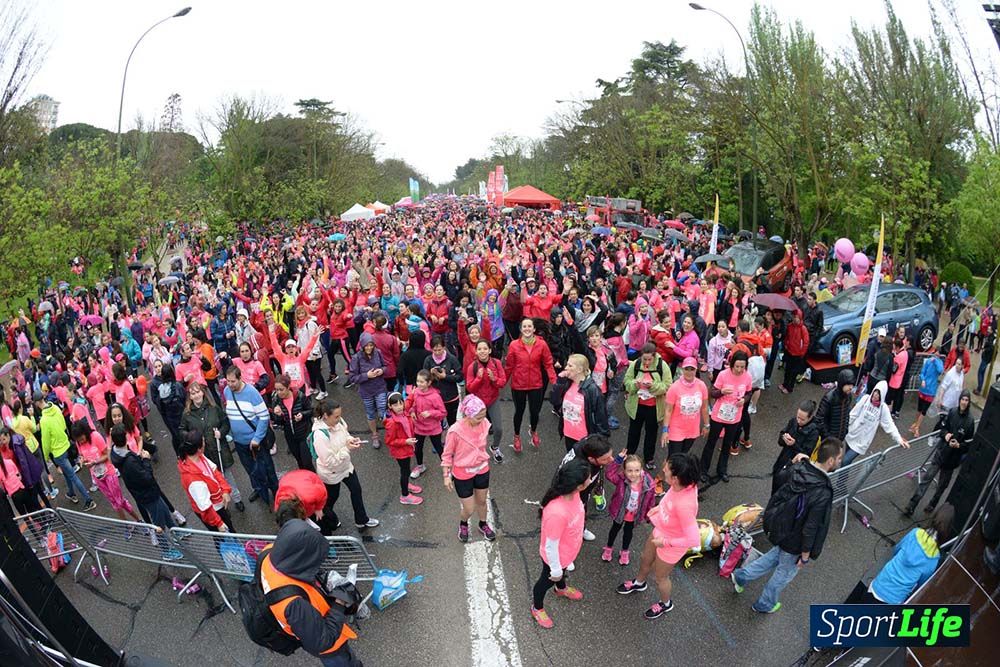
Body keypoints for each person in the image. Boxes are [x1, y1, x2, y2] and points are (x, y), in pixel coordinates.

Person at [731, 438, 843, 613]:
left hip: (783, 529)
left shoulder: (800, 468)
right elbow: (811, 526)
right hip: (796, 541)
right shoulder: (822, 491)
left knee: (772, 558)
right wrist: (806, 554)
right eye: (838, 459)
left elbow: (780, 479)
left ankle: (741, 576)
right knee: (783, 574)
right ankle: (765, 604)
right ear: (830, 461)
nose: (839, 461)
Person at [258, 517, 363, 665]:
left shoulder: (267, 553)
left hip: (306, 622)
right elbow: (323, 641)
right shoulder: (294, 604)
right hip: (330, 649)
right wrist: (340, 602)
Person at [616, 452, 701, 619]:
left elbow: (693, 539)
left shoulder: (685, 505)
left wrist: (666, 542)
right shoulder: (681, 484)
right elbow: (670, 497)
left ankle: (665, 603)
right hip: (660, 531)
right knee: (645, 558)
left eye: (667, 468)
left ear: (675, 478)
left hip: (671, 544)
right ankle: (639, 583)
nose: (663, 469)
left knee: (660, 578)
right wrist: (659, 508)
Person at [530, 458, 590, 629]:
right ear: (579, 485)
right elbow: (550, 546)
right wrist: (555, 569)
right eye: (587, 477)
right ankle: (537, 607)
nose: (590, 478)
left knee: (562, 574)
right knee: (544, 582)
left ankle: (561, 588)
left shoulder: (574, 493)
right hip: (554, 558)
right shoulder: (557, 512)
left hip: (567, 553)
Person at [309, 398, 379, 533]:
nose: (339, 419)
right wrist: (347, 449)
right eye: (336, 416)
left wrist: (350, 440)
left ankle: (361, 520)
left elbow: (345, 434)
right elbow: (328, 461)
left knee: (356, 490)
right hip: (331, 473)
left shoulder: (339, 422)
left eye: (340, 415)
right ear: (325, 416)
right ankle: (326, 522)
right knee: (330, 500)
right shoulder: (319, 436)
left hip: (346, 467)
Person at [904, 391, 975, 516]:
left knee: (942, 486)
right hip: (941, 453)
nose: (964, 402)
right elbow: (942, 429)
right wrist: (946, 435)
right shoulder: (952, 412)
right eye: (962, 399)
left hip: (952, 460)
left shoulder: (970, 421)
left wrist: (959, 445)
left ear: (969, 403)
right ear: (959, 400)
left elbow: (969, 444)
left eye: (966, 400)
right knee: (926, 480)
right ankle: (912, 505)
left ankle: (932, 504)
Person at [866, 505, 953, 603]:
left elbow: (896, 550)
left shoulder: (915, 533)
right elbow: (921, 585)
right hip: (894, 600)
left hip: (879, 584)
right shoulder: (934, 558)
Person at [442, 394, 496, 543]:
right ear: (468, 414)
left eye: (483, 416)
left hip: (482, 469)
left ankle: (483, 524)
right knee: (469, 508)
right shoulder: (455, 431)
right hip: (462, 473)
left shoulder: (484, 422)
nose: (482, 420)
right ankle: (463, 523)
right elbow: (447, 455)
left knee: (482, 501)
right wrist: (446, 475)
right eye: (478, 417)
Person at [180, 383, 242, 512]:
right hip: (203, 454)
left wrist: (221, 432)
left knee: (227, 476)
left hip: (219, 449)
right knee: (211, 480)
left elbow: (225, 422)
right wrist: (192, 436)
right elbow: (181, 430)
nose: (196, 395)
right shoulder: (187, 415)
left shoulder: (214, 408)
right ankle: (220, 503)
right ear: (190, 397)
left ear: (203, 393)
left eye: (198, 392)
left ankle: (237, 499)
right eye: (193, 393)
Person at [223, 365, 278, 506]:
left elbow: (264, 417)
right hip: (239, 442)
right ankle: (260, 490)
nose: (230, 385)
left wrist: (256, 439)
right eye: (228, 381)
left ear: (240, 378)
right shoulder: (227, 391)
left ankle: (276, 492)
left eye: (233, 381)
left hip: (255, 443)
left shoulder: (252, 393)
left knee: (266, 468)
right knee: (251, 470)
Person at [35, 391, 96, 510]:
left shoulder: (44, 420)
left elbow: (45, 441)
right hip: (66, 445)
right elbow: (63, 426)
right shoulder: (56, 408)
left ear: (37, 403)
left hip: (58, 452)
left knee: (72, 475)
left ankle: (89, 500)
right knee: (68, 473)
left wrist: (46, 456)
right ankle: (71, 493)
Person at [70, 420, 142, 522]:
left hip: (108, 473)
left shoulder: (95, 436)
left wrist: (95, 462)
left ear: (85, 433)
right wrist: (82, 460)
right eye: (78, 440)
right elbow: (81, 454)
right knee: (114, 502)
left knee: (119, 501)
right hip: (97, 476)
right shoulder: (78, 443)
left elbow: (107, 455)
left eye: (82, 438)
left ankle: (138, 520)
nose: (81, 442)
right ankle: (126, 525)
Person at [699, 351, 753, 483]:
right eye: (737, 366)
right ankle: (703, 470)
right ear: (732, 364)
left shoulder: (747, 377)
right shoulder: (723, 375)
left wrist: (744, 400)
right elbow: (712, 392)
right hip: (719, 415)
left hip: (734, 417)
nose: (740, 370)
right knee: (711, 442)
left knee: (727, 444)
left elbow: (749, 392)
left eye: (742, 367)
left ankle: (722, 470)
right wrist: (721, 392)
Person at [504, 318, 557, 452]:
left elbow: (548, 363)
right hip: (518, 384)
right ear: (521, 329)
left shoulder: (542, 344)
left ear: (534, 329)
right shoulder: (514, 345)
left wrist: (554, 381)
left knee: (535, 412)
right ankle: (516, 436)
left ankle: (533, 431)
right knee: (519, 412)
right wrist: (502, 382)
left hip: (536, 384)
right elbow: (509, 365)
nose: (527, 329)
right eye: (524, 327)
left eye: (530, 326)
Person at [601, 451, 656, 566]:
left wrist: (649, 515)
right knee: (614, 529)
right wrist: (618, 460)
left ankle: (625, 551)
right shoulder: (621, 480)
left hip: (634, 515)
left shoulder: (648, 484)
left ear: (642, 469)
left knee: (628, 532)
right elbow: (609, 474)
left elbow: (650, 501)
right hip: (620, 512)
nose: (633, 474)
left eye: (637, 470)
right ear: (624, 471)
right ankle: (609, 547)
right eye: (629, 470)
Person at [622, 344, 671, 469]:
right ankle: (629, 456)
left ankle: (649, 457)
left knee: (651, 434)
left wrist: (653, 386)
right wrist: (635, 384)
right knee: (633, 432)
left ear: (654, 357)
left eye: (650, 359)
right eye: (645, 359)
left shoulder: (662, 366)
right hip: (636, 405)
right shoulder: (636, 364)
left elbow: (667, 385)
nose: (647, 362)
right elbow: (626, 381)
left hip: (653, 407)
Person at [177, 428, 234, 532]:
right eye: (203, 441)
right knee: (223, 538)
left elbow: (215, 472)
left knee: (229, 529)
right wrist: (218, 523)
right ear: (198, 448)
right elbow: (205, 507)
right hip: (212, 512)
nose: (205, 443)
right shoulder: (192, 479)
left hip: (217, 505)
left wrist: (225, 490)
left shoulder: (199, 457)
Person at [843, 380, 909, 466]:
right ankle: (842, 479)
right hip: (852, 434)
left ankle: (841, 479)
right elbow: (853, 415)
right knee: (846, 463)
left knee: (845, 461)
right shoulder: (865, 398)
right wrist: (843, 429)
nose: (875, 395)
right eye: (875, 392)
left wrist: (899, 439)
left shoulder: (883, 408)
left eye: (878, 394)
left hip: (862, 442)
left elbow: (890, 425)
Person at [550, 353, 609, 450]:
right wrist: (559, 382)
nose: (566, 368)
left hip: (585, 440)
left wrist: (600, 443)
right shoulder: (566, 384)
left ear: (580, 370)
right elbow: (554, 401)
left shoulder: (592, 390)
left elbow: (601, 419)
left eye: (570, 365)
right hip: (569, 435)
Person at [465, 339, 507, 463]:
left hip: (493, 400)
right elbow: (469, 387)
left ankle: (495, 447)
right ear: (476, 351)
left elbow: (503, 382)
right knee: (476, 431)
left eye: (485, 349)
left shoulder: (496, 363)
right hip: (478, 404)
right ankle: (477, 450)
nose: (482, 351)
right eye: (479, 349)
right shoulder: (472, 367)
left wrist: (494, 379)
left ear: (489, 350)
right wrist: (478, 378)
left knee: (498, 428)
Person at [660, 357, 710, 456]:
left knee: (683, 457)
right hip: (676, 429)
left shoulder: (701, 385)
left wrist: (706, 425)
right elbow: (668, 410)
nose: (689, 372)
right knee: (674, 459)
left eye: (692, 369)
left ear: (696, 370)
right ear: (682, 369)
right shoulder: (674, 387)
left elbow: (704, 407)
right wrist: (665, 430)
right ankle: (664, 472)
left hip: (692, 428)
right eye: (687, 369)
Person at [404, 369, 447, 478]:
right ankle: (420, 466)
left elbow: (443, 413)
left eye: (422, 382)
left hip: (433, 427)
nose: (419, 384)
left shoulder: (435, 396)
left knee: (439, 448)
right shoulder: (416, 392)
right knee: (418, 448)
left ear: (429, 383)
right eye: (418, 381)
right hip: (419, 426)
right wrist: (412, 411)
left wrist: (430, 413)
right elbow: (413, 405)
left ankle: (447, 469)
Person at [348, 332, 388, 449]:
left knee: (382, 410)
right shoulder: (356, 358)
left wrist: (382, 371)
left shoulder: (378, 353)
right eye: (367, 345)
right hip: (366, 391)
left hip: (380, 387)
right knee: (370, 413)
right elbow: (352, 378)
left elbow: (385, 366)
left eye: (371, 345)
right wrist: (367, 376)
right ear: (362, 345)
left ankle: (389, 432)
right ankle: (374, 435)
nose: (369, 348)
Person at [772, 400, 820, 494]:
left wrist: (794, 445)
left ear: (810, 418)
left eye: (802, 419)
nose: (799, 421)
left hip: (794, 472)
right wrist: (784, 438)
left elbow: (806, 455)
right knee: (775, 490)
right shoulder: (793, 421)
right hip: (782, 463)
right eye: (798, 417)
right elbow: (781, 437)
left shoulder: (814, 433)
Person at [384, 392, 423, 505]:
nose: (399, 407)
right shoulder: (392, 423)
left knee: (407, 469)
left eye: (401, 404)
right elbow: (389, 441)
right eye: (395, 405)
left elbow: (409, 402)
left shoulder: (404, 412)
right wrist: (405, 441)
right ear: (390, 406)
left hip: (407, 448)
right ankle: (405, 495)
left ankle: (406, 485)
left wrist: (412, 394)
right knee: (405, 472)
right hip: (401, 451)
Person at [272, 374, 315, 471]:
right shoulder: (276, 400)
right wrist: (278, 415)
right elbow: (278, 422)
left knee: (307, 462)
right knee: (299, 461)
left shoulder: (299, 396)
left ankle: (314, 481)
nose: (279, 392)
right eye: (276, 389)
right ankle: (305, 481)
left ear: (288, 387)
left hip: (304, 433)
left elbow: (312, 410)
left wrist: (302, 415)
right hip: (290, 435)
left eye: (281, 389)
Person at [0, 426, 45, 516]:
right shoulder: (13, 443)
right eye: (1, 440)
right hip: (24, 477)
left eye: (3, 440)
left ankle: (46, 517)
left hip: (23, 479)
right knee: (35, 499)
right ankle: (46, 517)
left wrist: (25, 479)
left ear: (7, 436)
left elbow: (21, 463)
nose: (2, 442)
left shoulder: (13, 446)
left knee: (33, 500)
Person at [422, 334, 462, 426]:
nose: (437, 352)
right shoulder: (428, 360)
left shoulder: (452, 359)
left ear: (444, 348)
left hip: (451, 397)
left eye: (439, 350)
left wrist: (445, 376)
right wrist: (430, 374)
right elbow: (423, 379)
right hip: (434, 397)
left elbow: (460, 377)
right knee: (436, 424)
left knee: (452, 423)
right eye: (434, 350)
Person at [815, 369, 854, 442]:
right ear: (842, 383)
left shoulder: (848, 396)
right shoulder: (829, 398)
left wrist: (845, 430)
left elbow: (847, 414)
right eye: (848, 384)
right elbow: (819, 419)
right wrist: (827, 436)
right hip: (828, 440)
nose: (851, 387)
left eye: (852, 384)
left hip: (839, 438)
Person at [910, 350, 943, 437]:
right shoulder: (928, 361)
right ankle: (915, 423)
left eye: (937, 353)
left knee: (924, 411)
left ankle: (917, 427)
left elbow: (940, 370)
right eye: (935, 352)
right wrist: (923, 380)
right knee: (919, 409)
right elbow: (922, 373)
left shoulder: (939, 363)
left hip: (931, 391)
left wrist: (935, 361)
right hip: (923, 389)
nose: (935, 354)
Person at [780, 310, 809, 394]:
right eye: (794, 317)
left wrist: (802, 353)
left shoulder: (803, 329)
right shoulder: (790, 326)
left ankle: (790, 388)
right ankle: (785, 384)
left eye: (797, 317)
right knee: (787, 370)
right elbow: (787, 337)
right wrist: (786, 345)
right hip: (789, 351)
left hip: (797, 354)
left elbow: (806, 342)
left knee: (793, 372)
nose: (795, 319)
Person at [885, 339, 909, 419]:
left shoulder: (898, 357)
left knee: (889, 399)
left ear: (898, 346)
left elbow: (894, 370)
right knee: (894, 398)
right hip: (899, 380)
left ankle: (887, 415)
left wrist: (893, 359)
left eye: (894, 346)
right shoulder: (905, 353)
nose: (893, 348)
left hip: (893, 381)